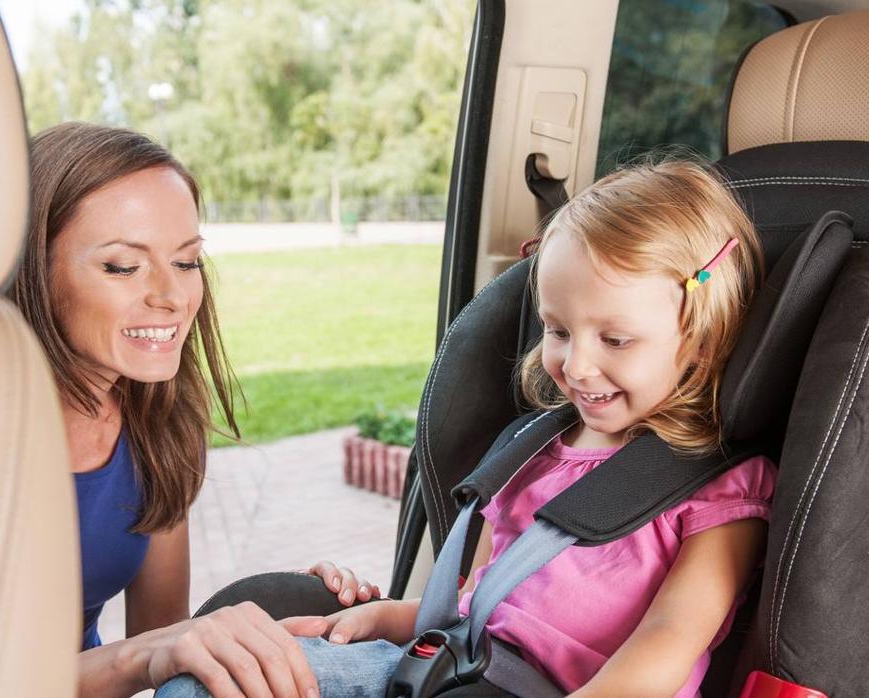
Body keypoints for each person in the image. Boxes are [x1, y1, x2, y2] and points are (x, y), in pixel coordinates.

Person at [157, 159, 776, 697]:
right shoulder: (529, 451)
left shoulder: (720, 493)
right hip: (454, 671)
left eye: (615, 339)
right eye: (558, 331)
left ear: (701, 336)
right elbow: (471, 603)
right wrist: (384, 618)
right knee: (203, 682)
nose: (576, 364)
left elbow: (670, 643)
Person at [11, 122, 378, 698]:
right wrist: (151, 653)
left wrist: (288, 622)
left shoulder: (157, 426)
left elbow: (161, 651)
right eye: (122, 266)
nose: (172, 296)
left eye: (186, 262)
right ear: (31, 268)